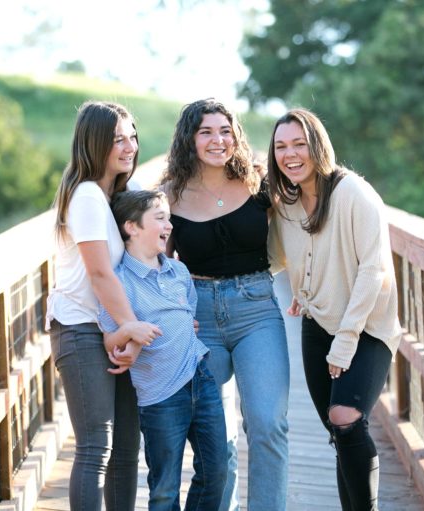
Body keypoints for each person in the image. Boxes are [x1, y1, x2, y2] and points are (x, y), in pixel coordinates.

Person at [267, 108, 402, 511]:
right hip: (316, 323)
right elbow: (274, 259)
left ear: (318, 145)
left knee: (345, 417)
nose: (290, 154)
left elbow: (373, 270)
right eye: (280, 146)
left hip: (367, 327)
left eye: (299, 144)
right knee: (338, 431)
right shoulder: (287, 204)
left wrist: (345, 341)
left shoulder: (354, 193)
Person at [162, 98, 290, 511]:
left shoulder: (260, 181)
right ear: (189, 139)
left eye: (225, 131)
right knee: (216, 437)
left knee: (268, 424)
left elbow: (309, 221)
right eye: (206, 132)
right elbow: (157, 267)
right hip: (199, 316)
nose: (218, 140)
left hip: (257, 310)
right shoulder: (169, 196)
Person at [46, 101, 162, 511]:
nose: (130, 147)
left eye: (132, 137)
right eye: (118, 139)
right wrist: (131, 329)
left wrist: (131, 330)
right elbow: (99, 273)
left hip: (115, 329)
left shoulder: (120, 195)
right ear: (95, 142)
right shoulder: (86, 197)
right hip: (81, 329)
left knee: (126, 449)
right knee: (96, 447)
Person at [99, 189, 227, 511]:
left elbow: (188, 319)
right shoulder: (120, 282)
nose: (169, 225)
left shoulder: (178, 271)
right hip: (161, 396)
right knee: (164, 489)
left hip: (200, 378)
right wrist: (130, 332)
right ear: (132, 227)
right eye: (160, 218)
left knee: (216, 472)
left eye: (169, 218)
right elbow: (109, 340)